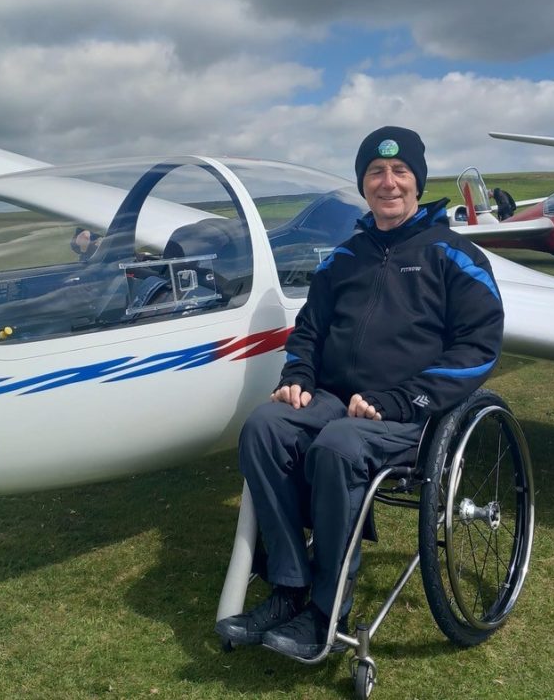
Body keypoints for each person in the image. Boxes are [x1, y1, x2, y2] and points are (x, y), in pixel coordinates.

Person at [215, 126, 505, 660]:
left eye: (400, 171)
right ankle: (289, 586)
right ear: (363, 184)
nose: (388, 182)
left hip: (412, 414)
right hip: (332, 399)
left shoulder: (455, 256)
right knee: (264, 428)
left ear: (418, 181)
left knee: (339, 446)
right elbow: (308, 331)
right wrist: (298, 377)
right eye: (375, 172)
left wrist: (403, 400)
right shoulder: (343, 258)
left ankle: (327, 612)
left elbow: (479, 348)